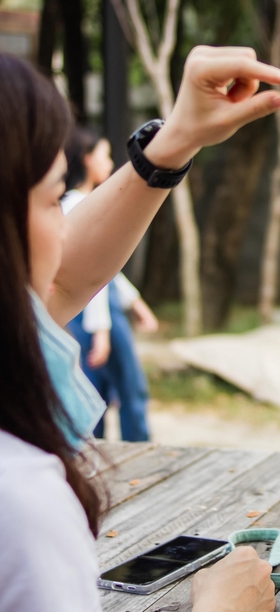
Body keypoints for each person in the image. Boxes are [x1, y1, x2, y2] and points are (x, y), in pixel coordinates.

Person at [0, 46, 280, 612]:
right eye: (55, 201)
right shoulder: (17, 495)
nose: (63, 225)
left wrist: (175, 140)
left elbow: (64, 272)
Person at [63, 127, 156, 441]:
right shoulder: (77, 204)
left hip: (99, 308)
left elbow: (109, 269)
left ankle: (97, 448)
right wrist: (102, 329)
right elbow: (93, 276)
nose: (109, 162)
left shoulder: (81, 202)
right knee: (129, 387)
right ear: (86, 160)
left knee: (98, 388)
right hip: (96, 312)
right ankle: (138, 445)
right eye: (103, 155)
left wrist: (135, 302)